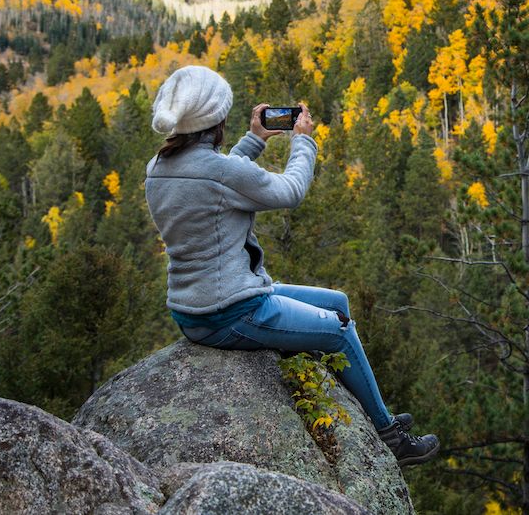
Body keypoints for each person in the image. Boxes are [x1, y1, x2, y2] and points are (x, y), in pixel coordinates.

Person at [143, 64, 439, 466]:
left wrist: (253, 141)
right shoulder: (220, 172)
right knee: (338, 331)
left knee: (337, 301)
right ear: (216, 121)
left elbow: (214, 179)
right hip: (229, 312)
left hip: (195, 306)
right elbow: (290, 190)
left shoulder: (158, 168)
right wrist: (303, 142)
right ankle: (390, 437)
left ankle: (361, 405)